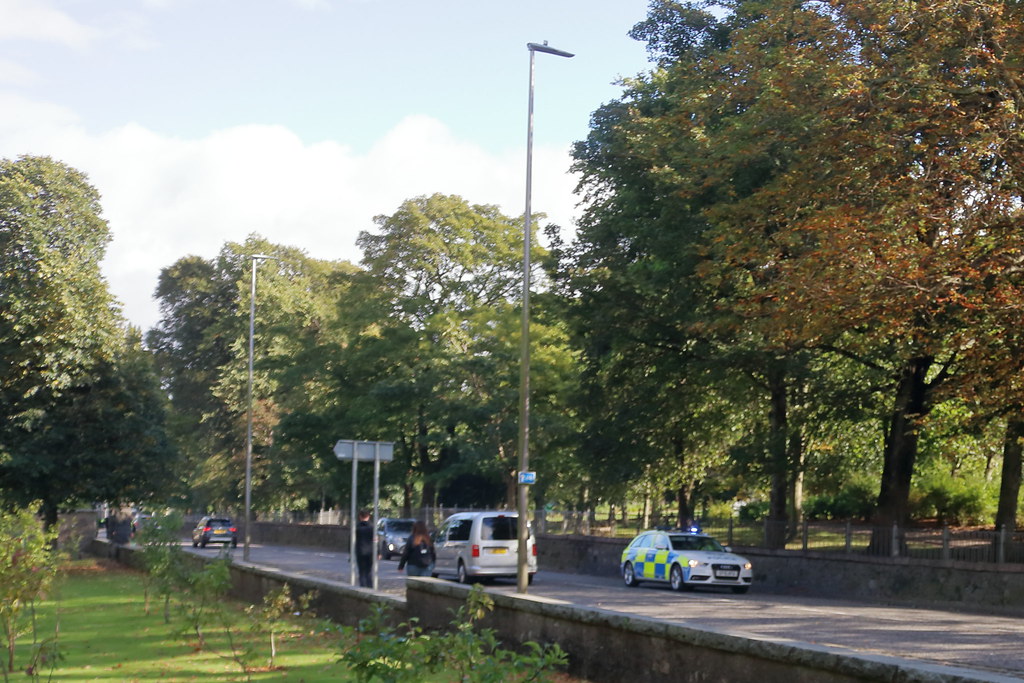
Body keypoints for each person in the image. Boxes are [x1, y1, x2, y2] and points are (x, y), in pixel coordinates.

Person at [355, 509, 375, 588]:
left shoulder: (356, 527)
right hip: (370, 552)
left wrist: (350, 553)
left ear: (360, 517)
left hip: (360, 552)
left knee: (361, 571)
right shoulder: (372, 527)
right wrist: (379, 552)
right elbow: (376, 540)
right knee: (369, 571)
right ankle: (370, 587)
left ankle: (363, 587)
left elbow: (352, 540)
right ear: (368, 516)